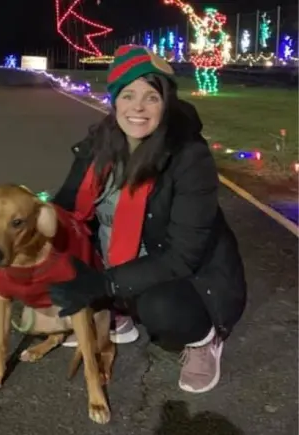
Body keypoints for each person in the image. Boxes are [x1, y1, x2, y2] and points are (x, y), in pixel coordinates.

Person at [49, 45, 247, 394]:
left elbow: (182, 256)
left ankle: (204, 340)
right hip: (118, 267)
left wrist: (102, 285)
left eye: (151, 97)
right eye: (128, 95)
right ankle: (118, 315)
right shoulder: (99, 144)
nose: (137, 107)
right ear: (114, 101)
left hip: (188, 279)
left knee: (161, 309)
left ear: (165, 104)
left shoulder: (189, 157)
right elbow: (66, 206)